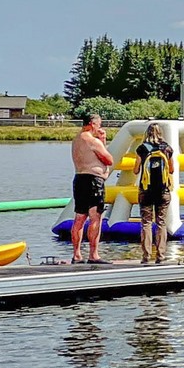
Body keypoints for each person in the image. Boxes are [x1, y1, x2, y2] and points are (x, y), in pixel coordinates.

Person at [69, 113, 115, 264]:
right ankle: (93, 254)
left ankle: (76, 254)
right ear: (91, 124)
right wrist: (102, 141)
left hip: (80, 178)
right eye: (98, 124)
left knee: (79, 217)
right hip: (93, 181)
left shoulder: (76, 139)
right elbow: (108, 159)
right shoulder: (91, 140)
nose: (99, 128)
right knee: (95, 216)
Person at [134, 124, 174, 265]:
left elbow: (136, 170)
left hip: (146, 191)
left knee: (146, 223)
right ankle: (161, 256)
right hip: (163, 192)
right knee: (161, 223)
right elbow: (172, 169)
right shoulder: (167, 148)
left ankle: (146, 256)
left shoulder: (142, 148)